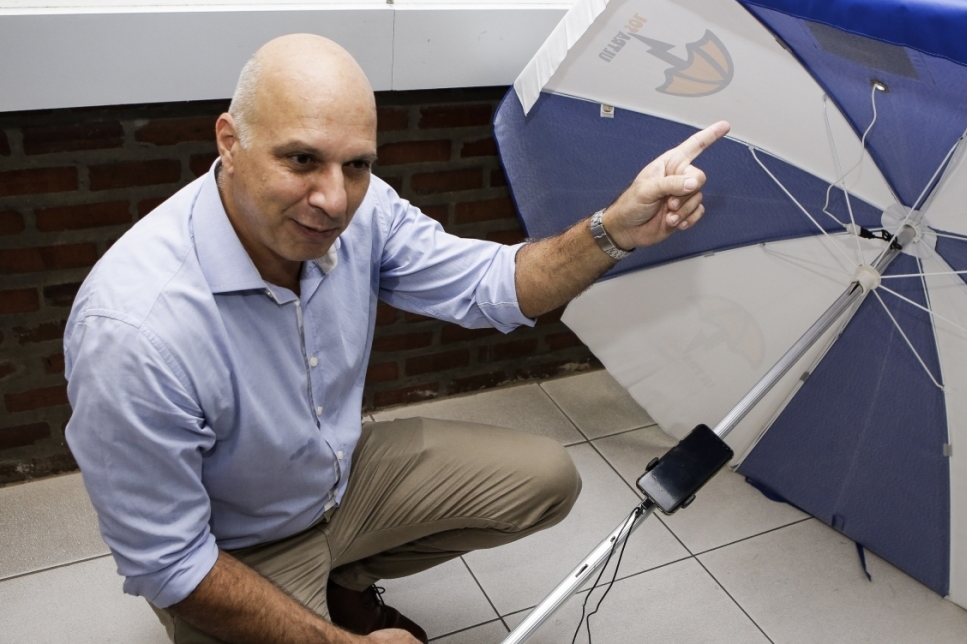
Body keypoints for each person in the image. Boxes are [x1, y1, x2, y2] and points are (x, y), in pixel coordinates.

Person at [63, 33, 728, 644]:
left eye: (356, 164)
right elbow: (171, 562)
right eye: (302, 159)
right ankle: (323, 606)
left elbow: (493, 284)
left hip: (337, 481)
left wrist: (614, 229)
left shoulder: (364, 206)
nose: (334, 199)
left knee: (548, 478)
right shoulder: (133, 329)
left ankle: (346, 579)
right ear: (229, 142)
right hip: (232, 546)